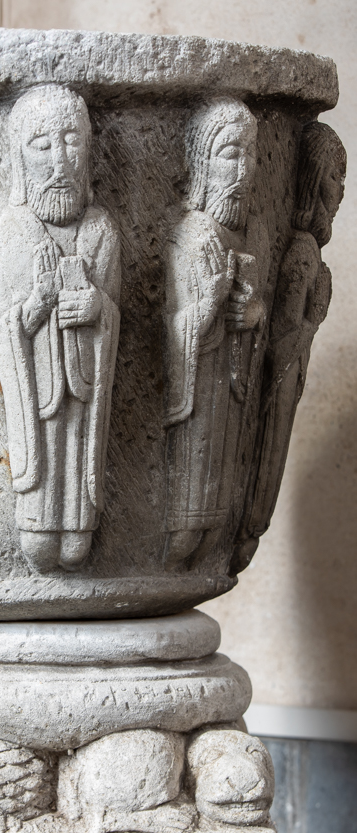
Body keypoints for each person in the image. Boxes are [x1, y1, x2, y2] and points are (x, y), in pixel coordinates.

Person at [0, 85, 121, 572]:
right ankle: (37, 521)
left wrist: (98, 308)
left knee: (75, 545)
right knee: (41, 547)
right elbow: (4, 329)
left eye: (71, 141)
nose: (59, 162)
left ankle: (79, 522)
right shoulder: (14, 232)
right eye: (42, 145)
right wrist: (38, 301)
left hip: (83, 394)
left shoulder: (100, 230)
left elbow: (113, 312)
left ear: (89, 150)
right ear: (19, 158)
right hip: (38, 398)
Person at [232, 121, 346, 574]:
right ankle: (250, 524)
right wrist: (314, 319)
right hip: (279, 382)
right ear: (313, 180)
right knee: (268, 460)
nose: (340, 189)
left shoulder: (308, 249)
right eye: (334, 175)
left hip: (291, 374)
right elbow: (280, 341)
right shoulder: (301, 251)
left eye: (343, 178)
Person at [164, 96, 264, 570]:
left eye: (250, 154)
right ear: (202, 163)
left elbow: (257, 322)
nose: (241, 170)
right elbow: (175, 329)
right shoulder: (192, 235)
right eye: (228, 154)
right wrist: (207, 305)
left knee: (213, 524)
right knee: (187, 529)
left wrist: (253, 316)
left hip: (229, 388)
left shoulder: (251, 234)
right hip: (199, 393)